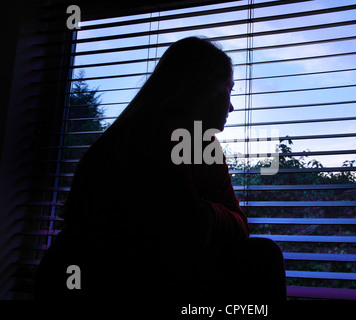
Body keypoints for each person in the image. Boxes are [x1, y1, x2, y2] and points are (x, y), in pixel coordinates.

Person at [34, 36, 286, 302]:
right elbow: (184, 231)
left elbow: (235, 224)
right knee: (262, 256)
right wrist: (207, 217)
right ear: (203, 87)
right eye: (229, 90)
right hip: (102, 282)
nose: (232, 106)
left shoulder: (203, 144)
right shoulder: (150, 134)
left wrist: (210, 214)